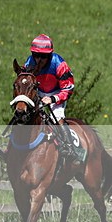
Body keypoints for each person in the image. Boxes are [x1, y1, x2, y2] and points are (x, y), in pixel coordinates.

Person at [24, 34, 85, 165]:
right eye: (36, 55)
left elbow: (68, 89)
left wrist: (52, 99)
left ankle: (70, 148)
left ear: (50, 55)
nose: (39, 59)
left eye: (43, 56)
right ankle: (10, 146)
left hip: (57, 93)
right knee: (23, 114)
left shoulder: (60, 64)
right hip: (37, 92)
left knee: (58, 118)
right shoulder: (29, 63)